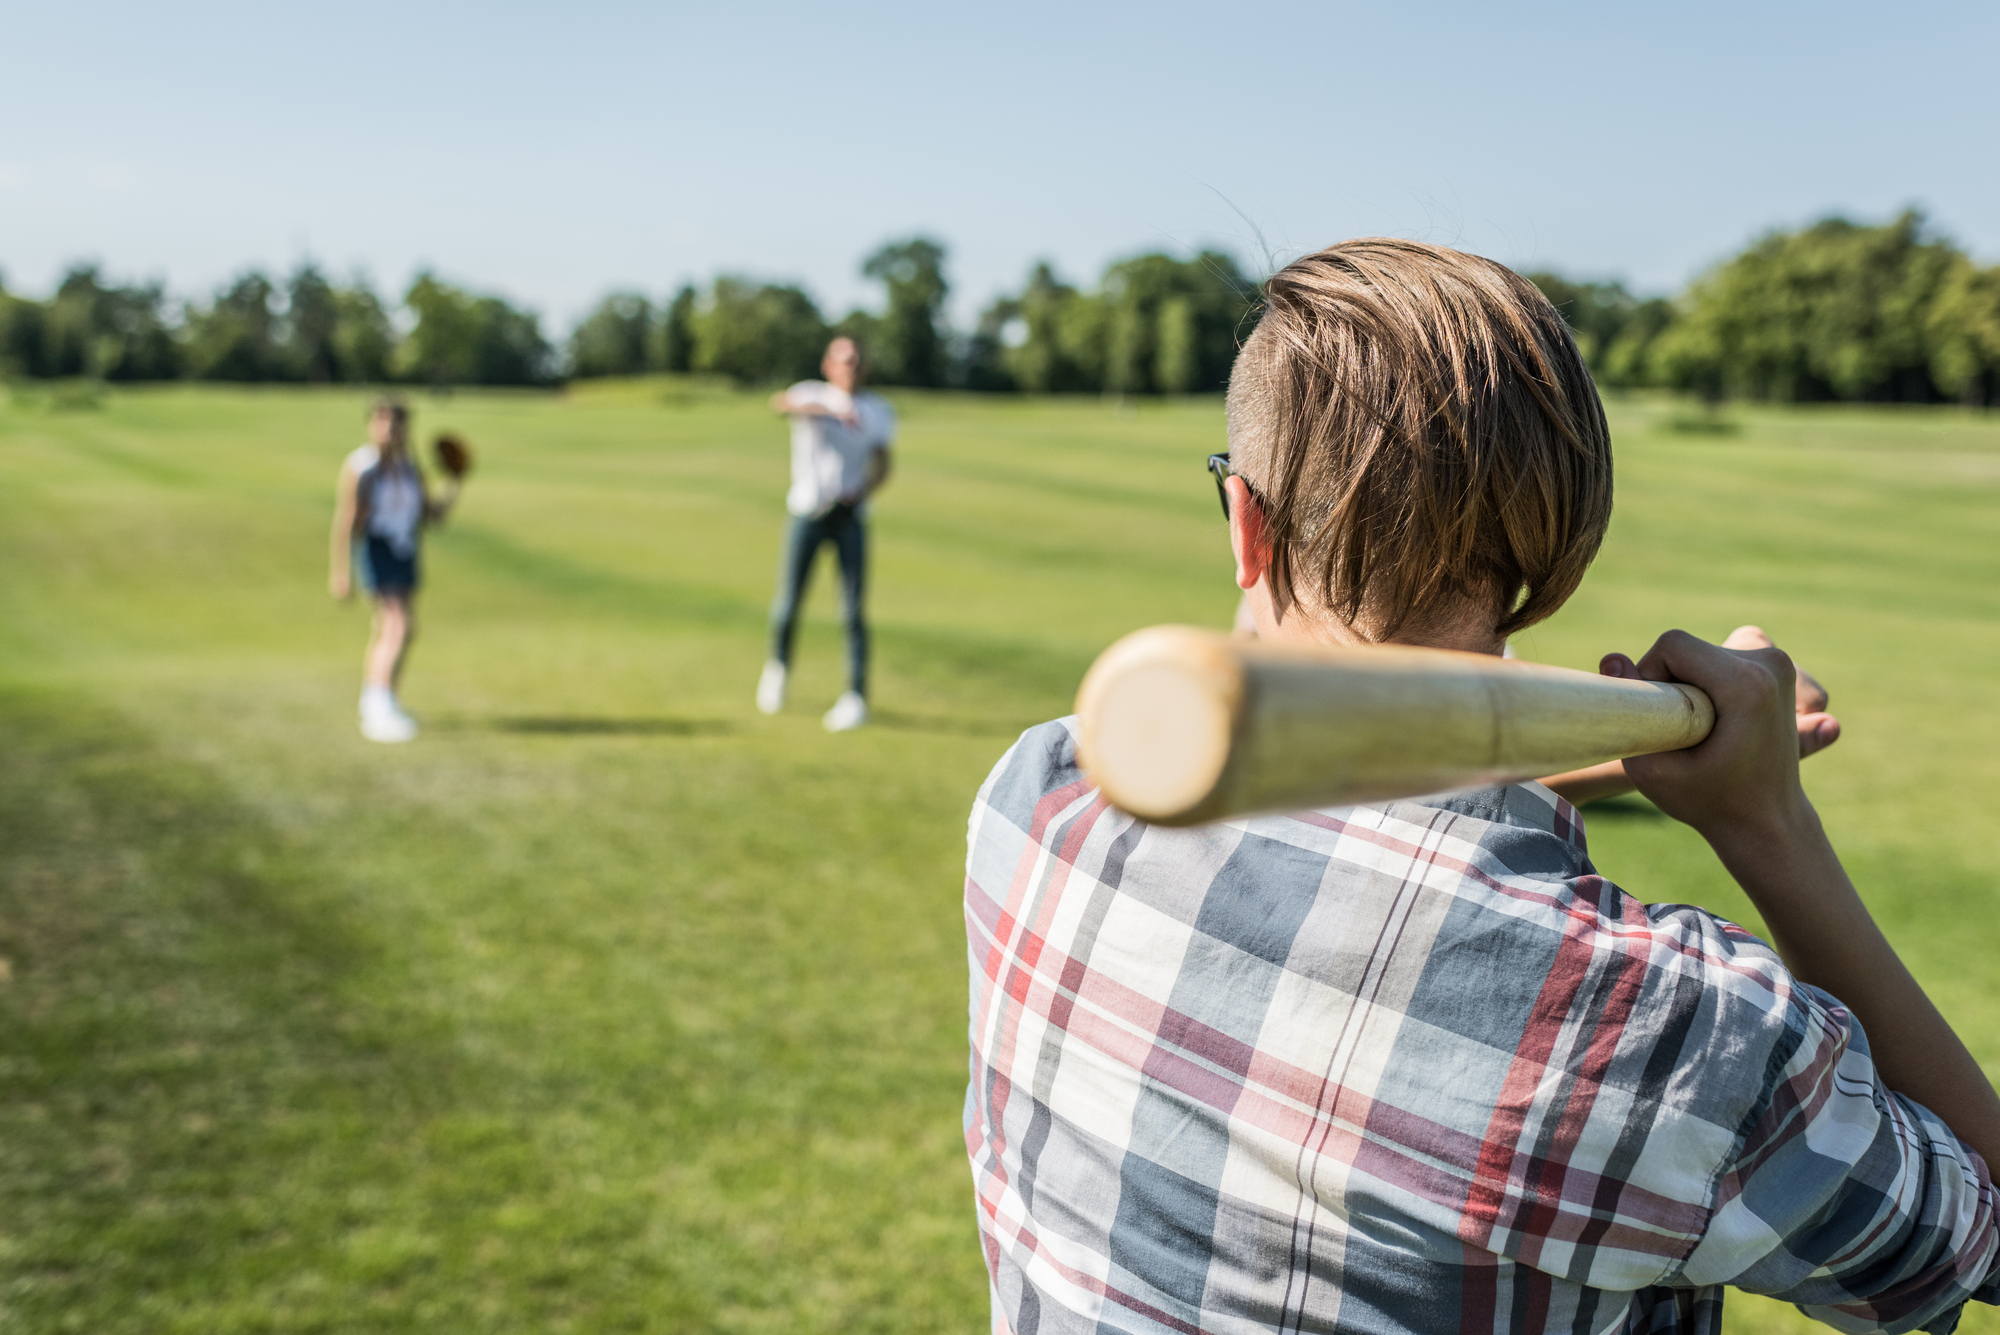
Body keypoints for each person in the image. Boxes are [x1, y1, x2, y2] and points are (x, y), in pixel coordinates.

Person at [965, 240, 1999, 1335]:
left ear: (1245, 525)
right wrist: (1768, 822)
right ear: (1557, 549)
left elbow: (1357, 842)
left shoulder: (1045, 791)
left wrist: (1619, 768)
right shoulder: (1683, 1035)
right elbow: (1977, 1241)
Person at [756, 335, 895, 731]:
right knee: (790, 599)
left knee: (853, 609)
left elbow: (884, 463)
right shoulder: (812, 395)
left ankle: (855, 695)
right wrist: (834, 413)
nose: (849, 366)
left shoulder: (878, 410)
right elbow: (781, 403)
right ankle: (777, 669)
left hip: (849, 514)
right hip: (807, 511)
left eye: (855, 360)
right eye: (842, 360)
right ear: (828, 365)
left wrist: (862, 490)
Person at [329, 398, 461, 743]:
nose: (391, 429)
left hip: (405, 548)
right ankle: (378, 706)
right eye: (384, 421)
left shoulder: (409, 468)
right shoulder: (362, 467)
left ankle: (381, 698)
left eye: (398, 422)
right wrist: (341, 572)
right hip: (377, 547)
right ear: (372, 425)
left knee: (395, 629)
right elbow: (347, 521)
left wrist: (454, 483)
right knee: (398, 625)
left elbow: (432, 517)